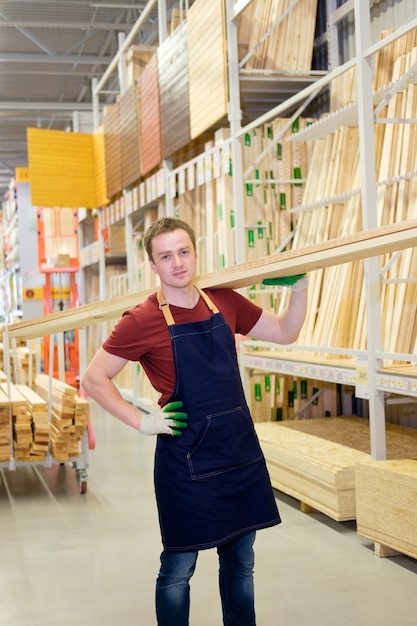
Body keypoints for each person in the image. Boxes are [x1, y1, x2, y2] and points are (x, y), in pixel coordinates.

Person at [81, 216, 308, 626]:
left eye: (184, 251)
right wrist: (141, 421)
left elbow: (285, 331)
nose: (178, 263)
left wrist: (299, 289)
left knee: (241, 562)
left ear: (195, 252)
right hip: (186, 462)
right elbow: (94, 378)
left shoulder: (225, 300)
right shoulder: (141, 319)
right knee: (178, 568)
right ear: (153, 265)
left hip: (237, 453)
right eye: (166, 256)